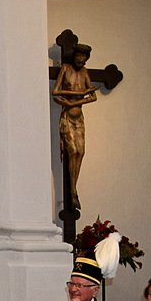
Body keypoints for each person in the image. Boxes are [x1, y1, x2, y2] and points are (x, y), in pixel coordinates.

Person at [51, 44, 98, 209]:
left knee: (81, 152)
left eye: (84, 57)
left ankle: (73, 188)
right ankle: (73, 191)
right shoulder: (65, 69)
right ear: (74, 56)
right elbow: (55, 92)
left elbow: (93, 96)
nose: (81, 60)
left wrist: (78, 100)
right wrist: (78, 95)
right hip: (67, 117)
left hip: (79, 117)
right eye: (79, 56)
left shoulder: (84, 73)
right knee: (72, 151)